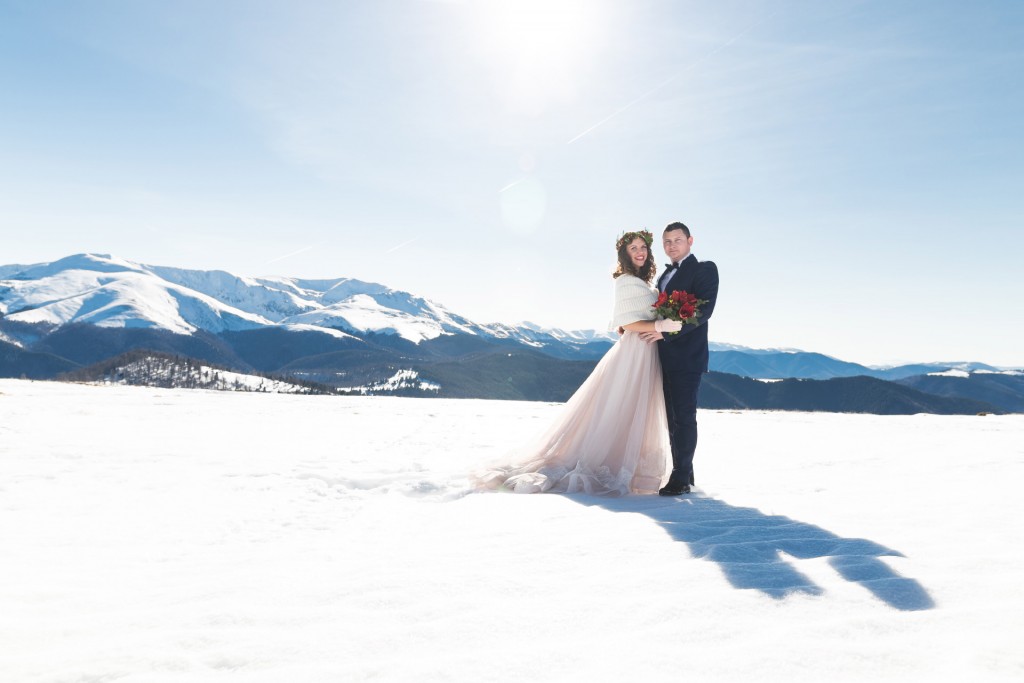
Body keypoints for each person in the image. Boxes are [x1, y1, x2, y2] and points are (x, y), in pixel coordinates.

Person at [476, 230, 682, 495]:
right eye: (634, 248)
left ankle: (630, 463)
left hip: (647, 351)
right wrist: (659, 324)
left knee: (635, 408)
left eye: (643, 247)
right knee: (619, 403)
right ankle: (605, 460)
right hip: (634, 352)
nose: (640, 251)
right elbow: (626, 322)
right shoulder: (626, 280)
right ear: (625, 254)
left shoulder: (643, 282)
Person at [639, 221, 719, 495]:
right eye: (667, 242)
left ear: (690, 240)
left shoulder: (704, 269)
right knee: (671, 418)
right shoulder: (664, 276)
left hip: (687, 356)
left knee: (684, 417)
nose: (672, 246)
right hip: (662, 356)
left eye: (677, 240)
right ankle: (685, 472)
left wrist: (668, 334)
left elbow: (703, 312)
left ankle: (681, 478)